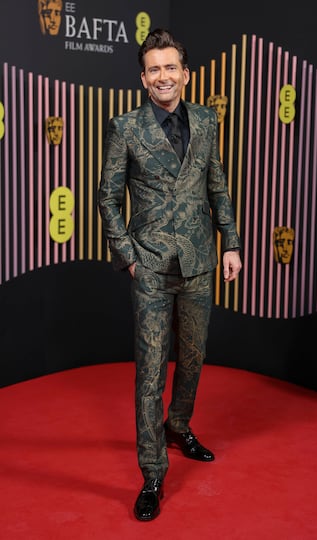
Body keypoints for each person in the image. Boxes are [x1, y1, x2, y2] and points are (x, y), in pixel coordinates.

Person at [98, 28, 242, 522]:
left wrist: (232, 243)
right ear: (144, 78)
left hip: (201, 258)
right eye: (153, 69)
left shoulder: (206, 120)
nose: (163, 76)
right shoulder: (125, 127)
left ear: (185, 72)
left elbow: (217, 184)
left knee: (195, 357)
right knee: (150, 371)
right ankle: (153, 473)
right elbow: (107, 198)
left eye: (170, 67)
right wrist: (129, 255)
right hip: (152, 266)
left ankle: (178, 425)